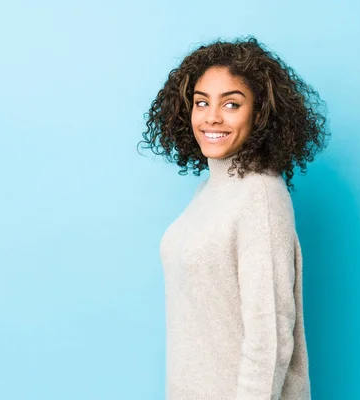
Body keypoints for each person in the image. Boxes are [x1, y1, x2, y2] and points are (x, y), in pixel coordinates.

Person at [139, 36, 329, 400]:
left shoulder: (260, 194)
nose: (212, 116)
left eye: (231, 104)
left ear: (259, 114)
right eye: (201, 103)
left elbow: (269, 338)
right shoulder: (210, 191)